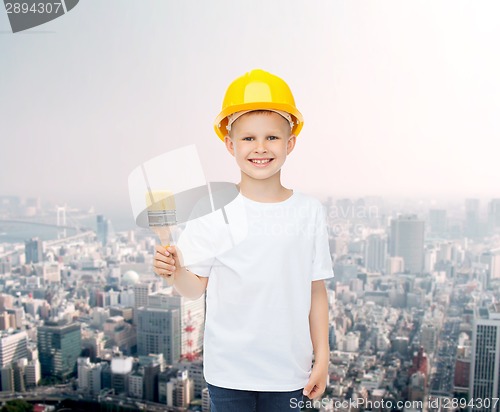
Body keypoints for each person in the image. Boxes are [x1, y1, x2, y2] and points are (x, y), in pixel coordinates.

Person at [153, 68, 334, 412]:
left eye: (272, 137)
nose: (260, 148)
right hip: (228, 374)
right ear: (229, 144)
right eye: (248, 138)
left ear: (290, 143)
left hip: (290, 373)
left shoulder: (308, 211)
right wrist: (173, 271)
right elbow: (194, 288)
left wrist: (322, 358)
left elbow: (316, 290)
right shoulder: (211, 207)